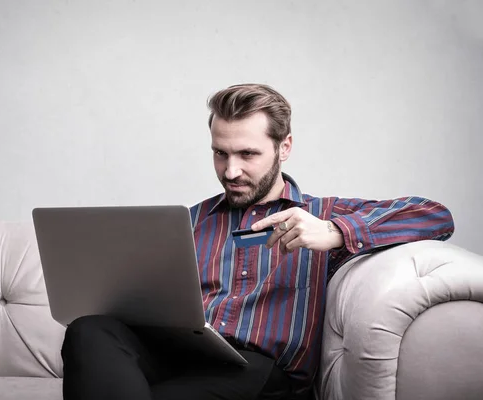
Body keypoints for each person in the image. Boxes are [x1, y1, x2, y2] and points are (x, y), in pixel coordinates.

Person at [60, 83, 455, 400]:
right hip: (180, 355)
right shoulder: (188, 222)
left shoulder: (322, 214)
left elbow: (435, 214)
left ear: (284, 148)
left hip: (260, 373)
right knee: (90, 328)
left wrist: (334, 232)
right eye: (220, 154)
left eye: (247, 154)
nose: (230, 171)